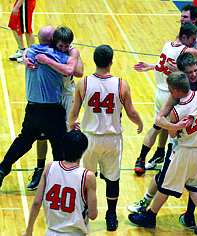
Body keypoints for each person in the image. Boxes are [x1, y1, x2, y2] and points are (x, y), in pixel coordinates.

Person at [129, 70, 197, 235]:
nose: (169, 92)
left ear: (177, 91)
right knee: (195, 187)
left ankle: (150, 216)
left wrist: (175, 126)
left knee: (165, 186)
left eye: (171, 89)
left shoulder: (176, 111)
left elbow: (172, 135)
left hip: (185, 151)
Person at [69, 45, 143, 231]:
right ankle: (111, 215)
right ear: (111, 61)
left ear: (94, 61)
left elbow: (74, 112)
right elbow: (131, 112)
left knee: (86, 178)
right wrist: (140, 123)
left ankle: (84, 211)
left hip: (89, 139)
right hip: (112, 139)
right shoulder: (122, 85)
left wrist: (72, 124)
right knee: (113, 179)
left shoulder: (83, 83)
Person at [133, 22, 197, 173]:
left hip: (160, 90)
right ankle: (159, 162)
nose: (193, 43)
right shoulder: (187, 50)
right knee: (164, 127)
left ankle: (154, 155)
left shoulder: (167, 44)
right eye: (192, 39)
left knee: (161, 126)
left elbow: (161, 65)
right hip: (172, 93)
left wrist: (151, 66)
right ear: (184, 37)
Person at [0, 26, 71, 188]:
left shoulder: (31, 52)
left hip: (33, 109)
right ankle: (59, 182)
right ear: (53, 40)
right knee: (59, 145)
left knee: (24, 141)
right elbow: (73, 69)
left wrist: (24, 58)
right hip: (53, 110)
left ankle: (3, 168)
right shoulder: (59, 56)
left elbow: (26, 50)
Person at [25, 26, 84, 191]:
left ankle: (63, 172)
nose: (64, 48)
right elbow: (28, 50)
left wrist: (51, 62)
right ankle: (39, 168)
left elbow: (77, 71)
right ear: (53, 42)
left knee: (66, 135)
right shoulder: (47, 49)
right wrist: (25, 58)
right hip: (50, 96)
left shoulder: (72, 52)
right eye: (61, 46)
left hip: (66, 96)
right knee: (41, 135)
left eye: (66, 46)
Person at [21, 130, 98, 236]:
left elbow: (36, 203)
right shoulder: (88, 176)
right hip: (75, 233)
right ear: (83, 151)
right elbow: (93, 215)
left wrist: (29, 230)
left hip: (51, 232)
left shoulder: (49, 167)